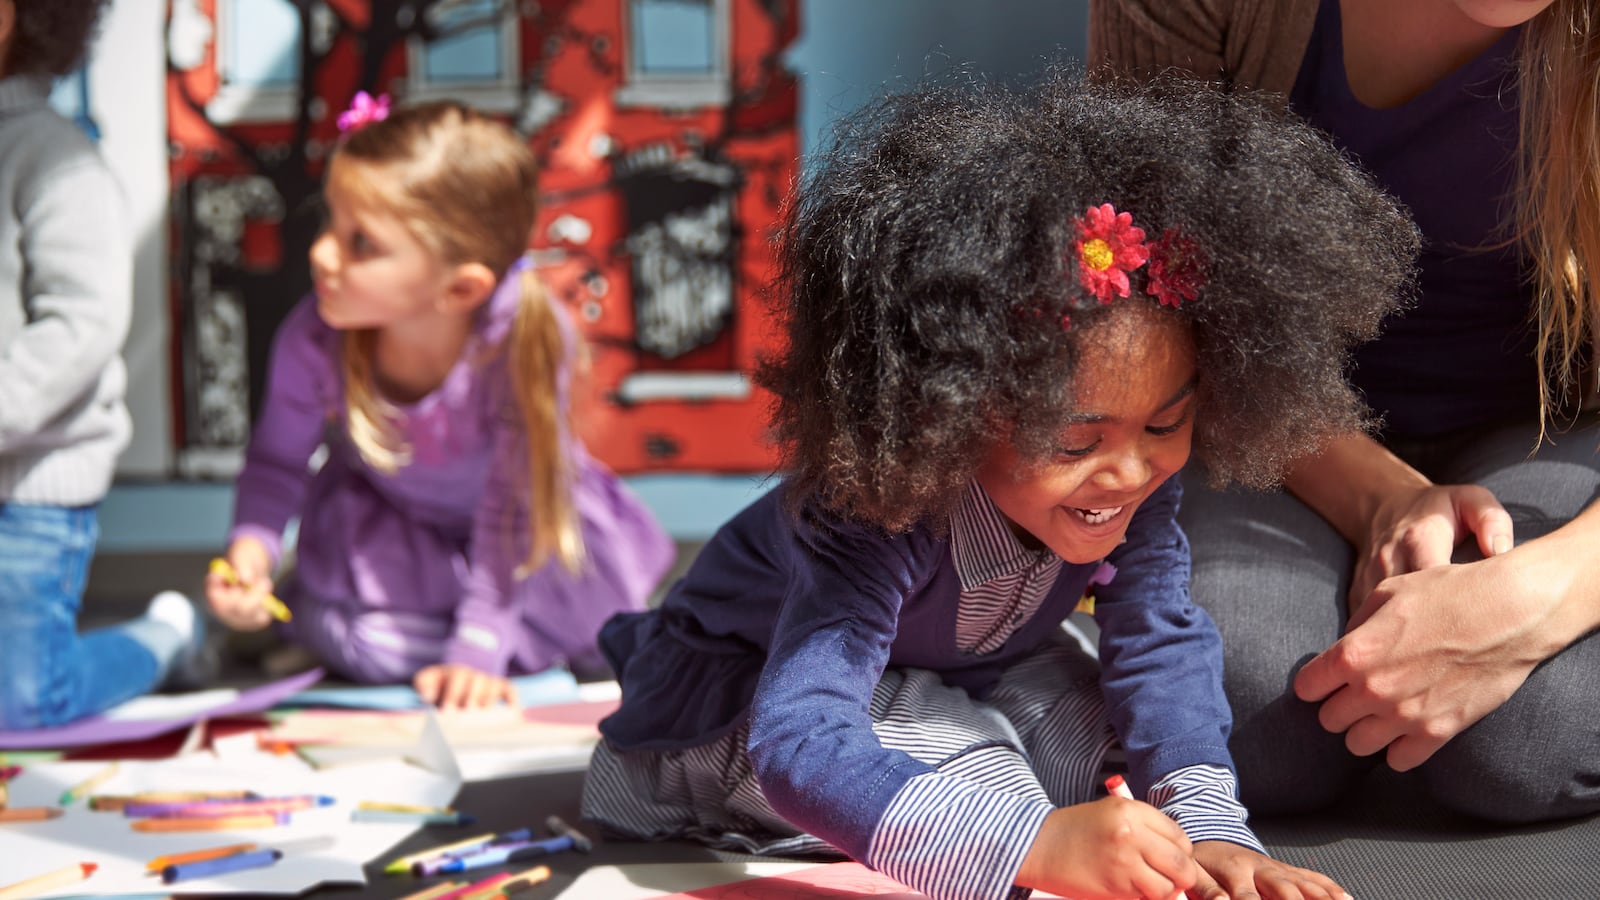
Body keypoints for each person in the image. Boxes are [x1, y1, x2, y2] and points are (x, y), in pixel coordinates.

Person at [581, 71, 1415, 900]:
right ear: (957, 406)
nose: (1128, 471)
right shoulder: (871, 512)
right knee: (983, 769)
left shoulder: (1136, 489)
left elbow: (1158, 645)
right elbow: (800, 736)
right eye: (1075, 439)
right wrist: (1036, 842)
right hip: (745, 699)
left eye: (1165, 425)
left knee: (1119, 733)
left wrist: (1210, 833)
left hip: (963, 673)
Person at [1090, 0, 1600, 823]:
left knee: (1520, 740)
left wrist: (1542, 593)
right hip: (1263, 420)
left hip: (1560, 424)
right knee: (1246, 712)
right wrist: (1382, 498)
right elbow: (1156, 295)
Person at [205, 98, 675, 709]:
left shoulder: (522, 339)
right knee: (361, 641)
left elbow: (512, 506)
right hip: (391, 526)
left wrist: (477, 646)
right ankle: (322, 617)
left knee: (599, 634)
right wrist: (250, 556)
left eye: (360, 242)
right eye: (330, 223)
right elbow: (276, 463)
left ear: (460, 288)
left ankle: (447, 631)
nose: (321, 253)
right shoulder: (314, 336)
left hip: (521, 533)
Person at [0, 0, 211, 729]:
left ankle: (167, 635)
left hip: (29, 485)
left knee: (26, 700)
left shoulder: (53, 160)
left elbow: (81, 325)